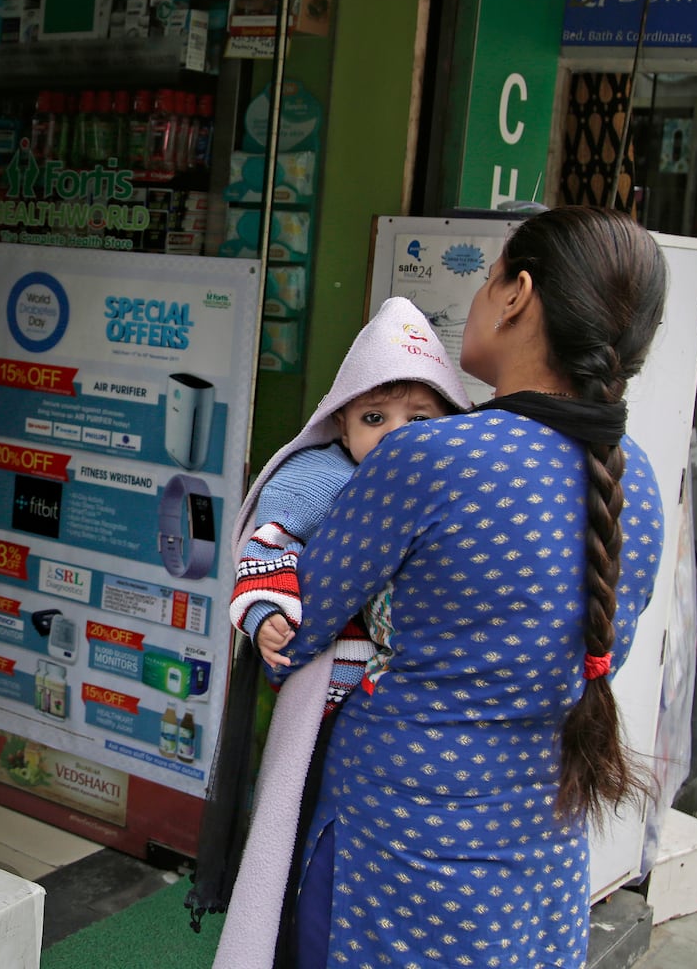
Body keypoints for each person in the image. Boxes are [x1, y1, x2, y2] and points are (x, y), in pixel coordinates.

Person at [270, 207, 668, 969]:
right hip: (538, 859)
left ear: (518, 294)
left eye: (489, 283)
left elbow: (295, 629)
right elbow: (597, 655)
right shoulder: (634, 481)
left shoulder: (427, 457)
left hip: (392, 851)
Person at [199, 298, 470, 966]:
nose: (396, 434)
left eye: (419, 418)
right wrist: (267, 616)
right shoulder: (321, 477)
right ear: (341, 424)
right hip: (325, 686)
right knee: (296, 818)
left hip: (401, 704)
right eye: (375, 418)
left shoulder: (458, 490)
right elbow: (267, 546)